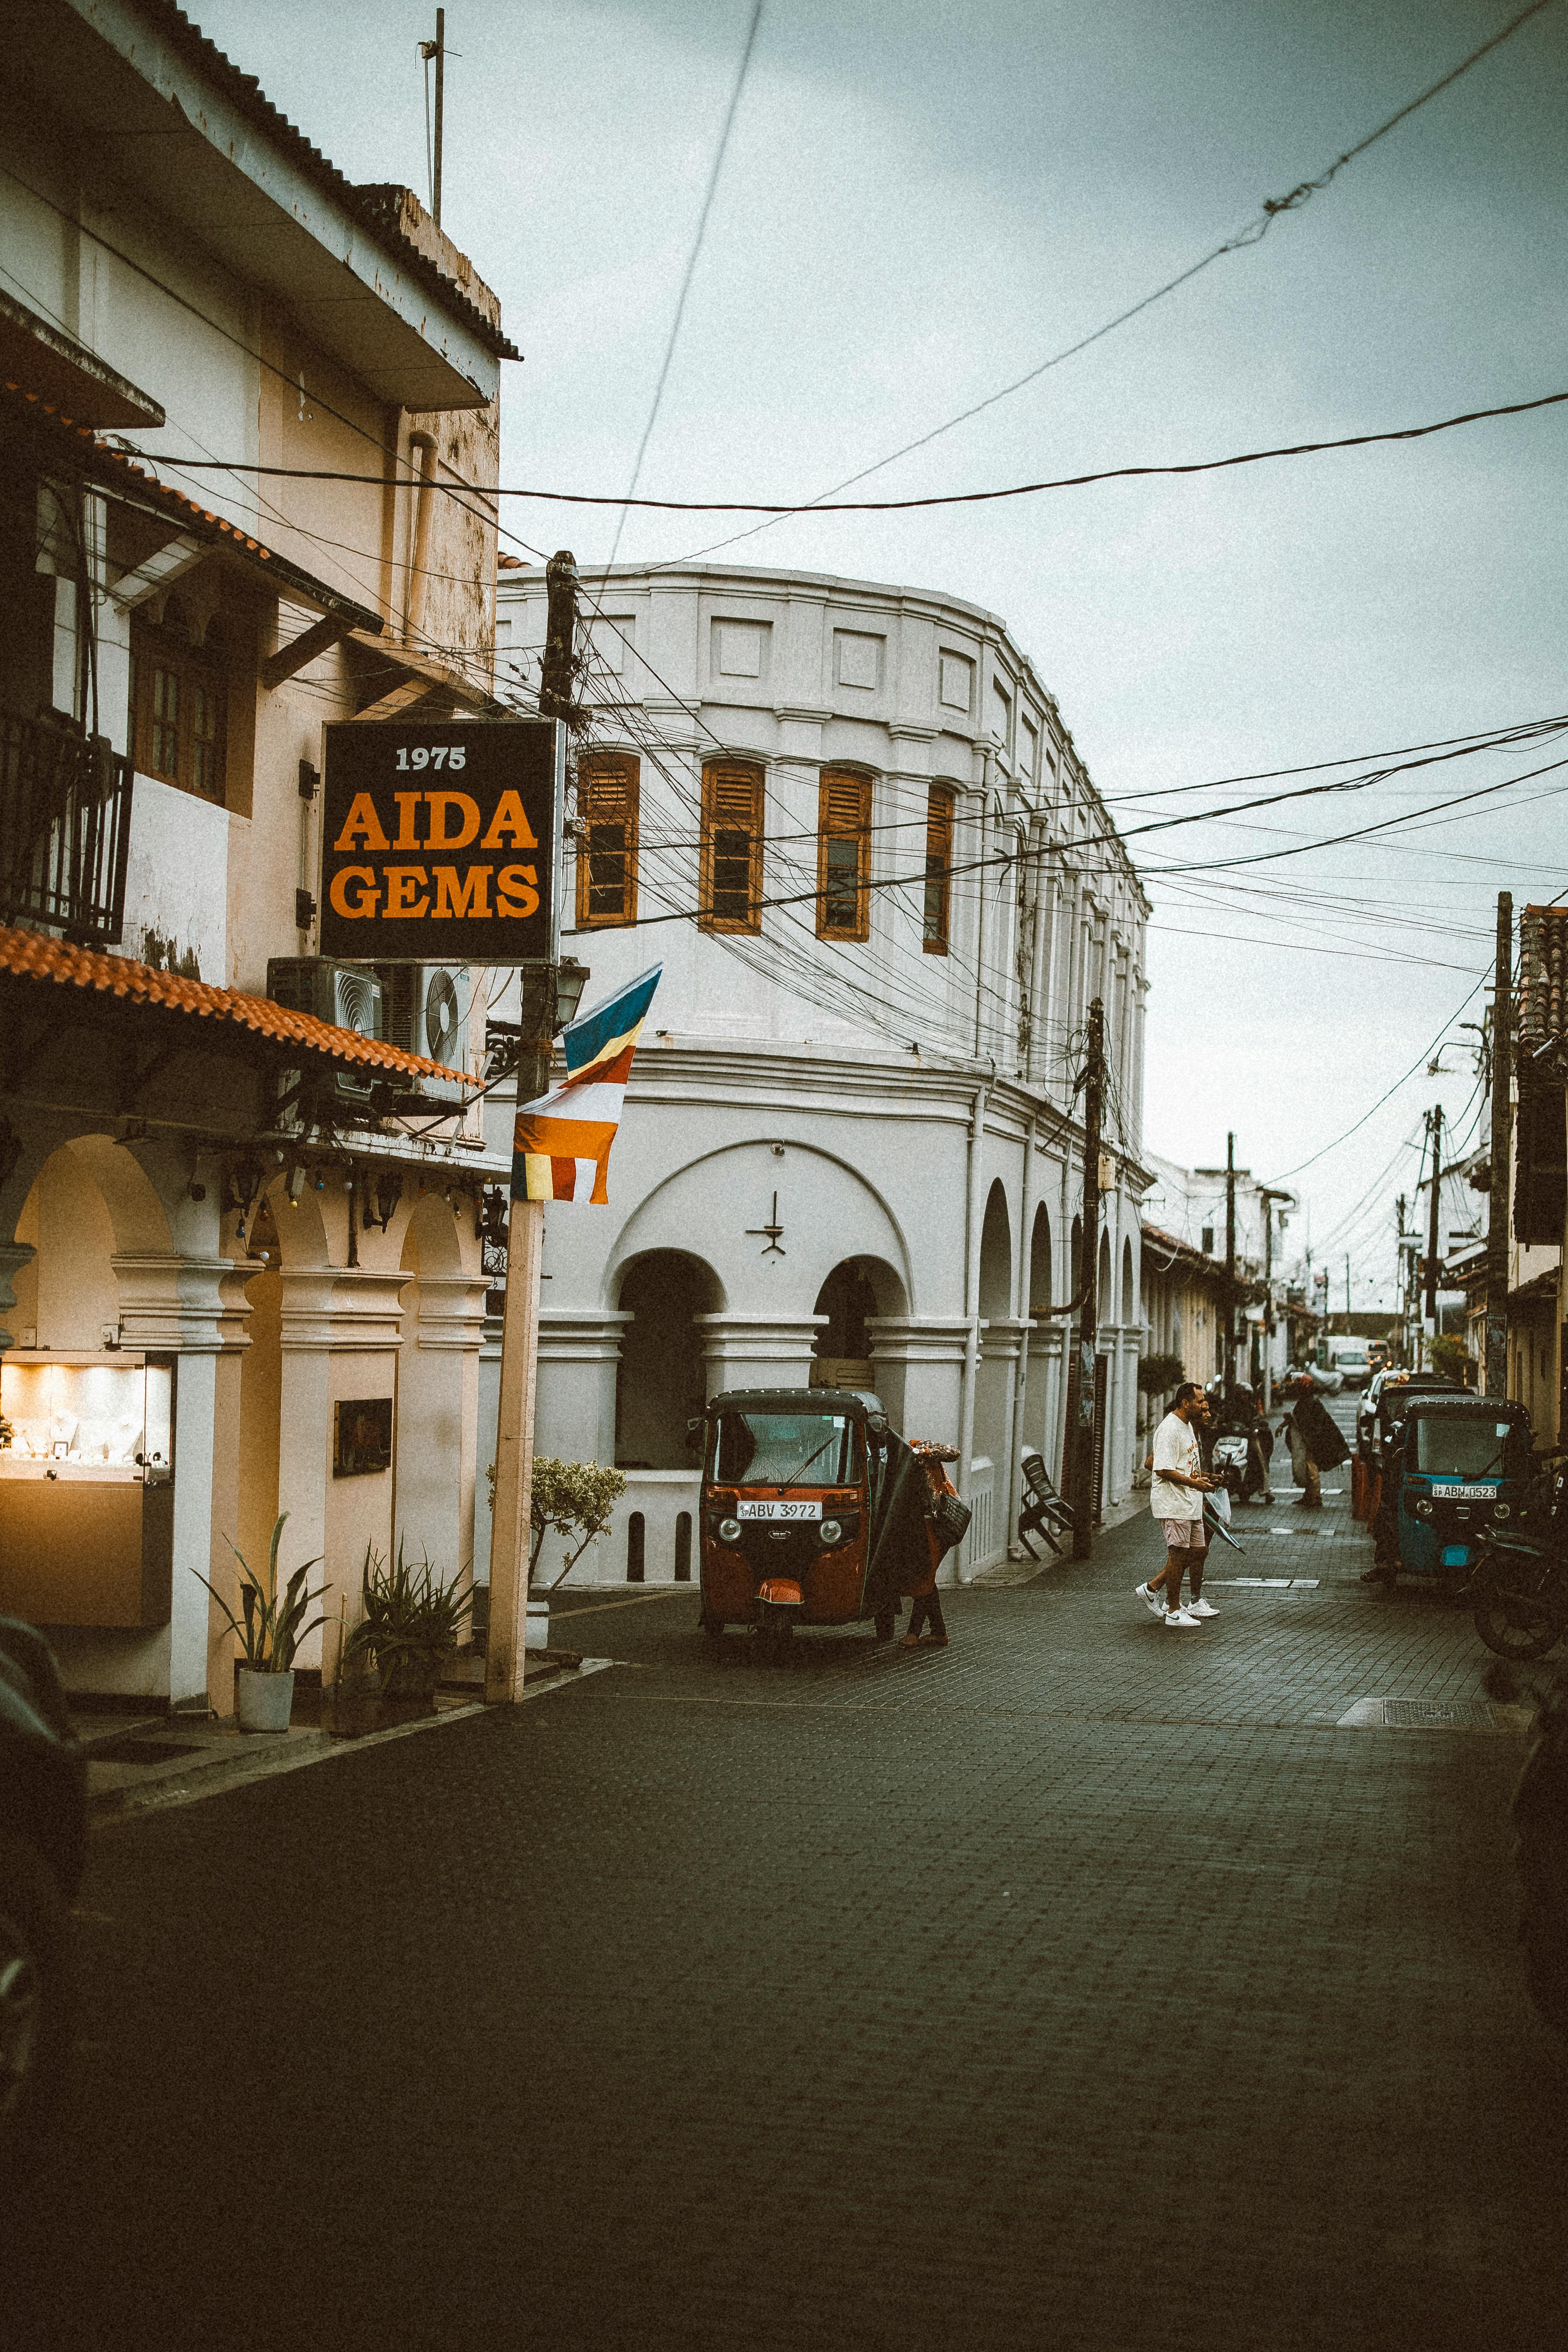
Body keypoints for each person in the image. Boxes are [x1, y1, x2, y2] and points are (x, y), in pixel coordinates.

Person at [1136, 1380, 1217, 1629]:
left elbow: (1186, 1465)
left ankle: (1153, 1588)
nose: (1204, 1406)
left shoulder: (1187, 1427)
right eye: (1199, 1401)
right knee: (1177, 1554)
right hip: (1173, 1503)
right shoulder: (1170, 1429)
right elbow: (1161, 1468)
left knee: (1199, 1551)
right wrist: (1196, 1485)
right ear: (1185, 1403)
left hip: (1189, 1501)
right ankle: (1173, 1609)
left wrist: (1203, 1478)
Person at [902, 1440, 959, 1647]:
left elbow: (953, 1452)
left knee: (925, 1576)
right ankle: (938, 1632)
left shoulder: (918, 1450)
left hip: (940, 1524)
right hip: (925, 1525)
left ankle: (914, 1633)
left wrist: (925, 1452)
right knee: (927, 1577)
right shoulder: (900, 1459)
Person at [1285, 1382, 1350, 1510]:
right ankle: (1309, 1495)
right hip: (1312, 1439)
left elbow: (1308, 1422)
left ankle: (1315, 1497)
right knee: (1308, 1467)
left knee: (1311, 1467)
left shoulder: (1310, 1402)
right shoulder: (1309, 1401)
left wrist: (1310, 1439)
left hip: (1313, 1441)